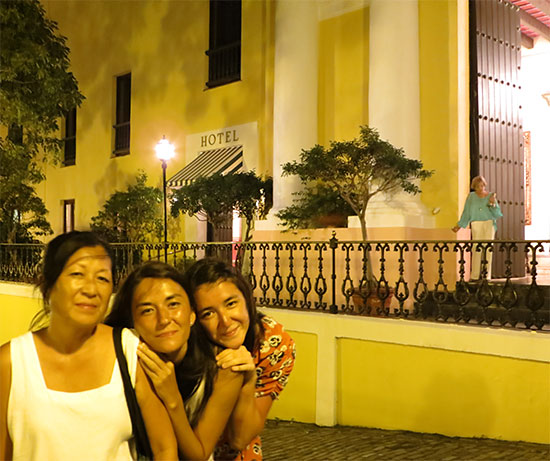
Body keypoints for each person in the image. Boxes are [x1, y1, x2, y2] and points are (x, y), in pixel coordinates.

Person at [0, 231, 176, 461]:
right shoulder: (11, 362)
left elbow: (165, 448)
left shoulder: (130, 350)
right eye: (77, 274)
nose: (91, 290)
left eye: (102, 278)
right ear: (48, 285)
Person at [105, 260, 244, 460]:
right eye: (147, 310)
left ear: (191, 314)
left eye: (173, 304)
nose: (163, 319)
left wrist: (172, 398)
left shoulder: (223, 367)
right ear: (132, 321)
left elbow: (199, 455)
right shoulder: (120, 360)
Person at [185, 257, 296, 461]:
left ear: (247, 298)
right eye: (208, 313)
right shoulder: (184, 343)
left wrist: (248, 380)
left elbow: (240, 438)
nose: (225, 322)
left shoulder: (272, 342)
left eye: (231, 303)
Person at [452, 175, 503, 280]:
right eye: (478, 186)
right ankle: (475, 275)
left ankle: (487, 275)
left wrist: (492, 203)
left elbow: (497, 213)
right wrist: (459, 225)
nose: (481, 188)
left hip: (489, 223)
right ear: (474, 187)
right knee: (476, 248)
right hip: (476, 223)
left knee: (488, 248)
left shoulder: (490, 196)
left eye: (482, 186)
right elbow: (466, 212)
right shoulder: (471, 197)